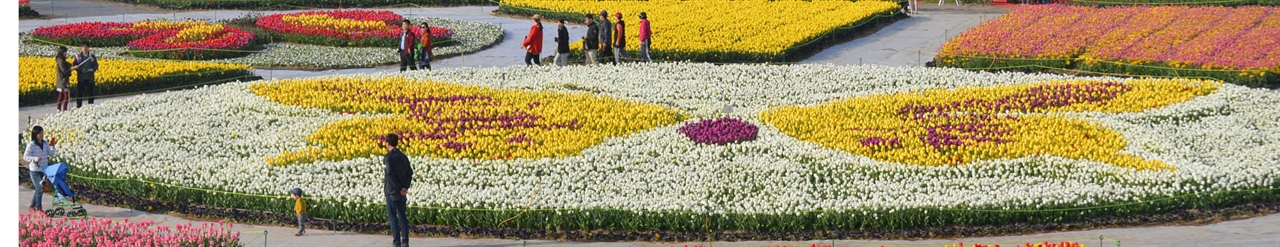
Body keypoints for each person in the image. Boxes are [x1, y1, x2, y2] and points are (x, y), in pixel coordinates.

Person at [383, 134, 413, 247]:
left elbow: (390, 175)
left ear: (387, 143)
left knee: (393, 217)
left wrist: (399, 188)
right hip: (402, 192)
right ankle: (405, 242)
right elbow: (409, 173)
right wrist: (405, 187)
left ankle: (396, 242)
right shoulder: (403, 156)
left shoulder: (388, 158)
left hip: (392, 191)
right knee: (402, 216)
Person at [23, 126, 57, 212]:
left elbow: (51, 154)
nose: (41, 135)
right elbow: (25, 157)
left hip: (43, 170)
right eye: (39, 133)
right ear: (35, 134)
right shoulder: (31, 145)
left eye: (42, 133)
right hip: (35, 170)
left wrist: (52, 146)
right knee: (39, 188)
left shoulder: (45, 143)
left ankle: (32, 206)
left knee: (39, 189)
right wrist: (34, 159)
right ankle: (39, 208)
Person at [72, 43, 97, 108]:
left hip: (90, 78)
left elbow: (96, 65)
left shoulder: (92, 56)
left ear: (88, 48)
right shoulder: (78, 56)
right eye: (83, 47)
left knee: (91, 93)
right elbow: (75, 65)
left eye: (86, 47)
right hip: (81, 78)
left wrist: (91, 70)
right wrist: (81, 69)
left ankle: (91, 105)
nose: (84, 49)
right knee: (79, 93)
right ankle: (79, 106)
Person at [54, 46, 71, 111]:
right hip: (63, 82)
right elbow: (64, 71)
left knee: (61, 95)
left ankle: (59, 109)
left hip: (61, 81)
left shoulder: (60, 60)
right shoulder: (60, 61)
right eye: (65, 52)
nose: (66, 54)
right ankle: (64, 109)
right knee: (66, 96)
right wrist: (72, 69)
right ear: (61, 53)